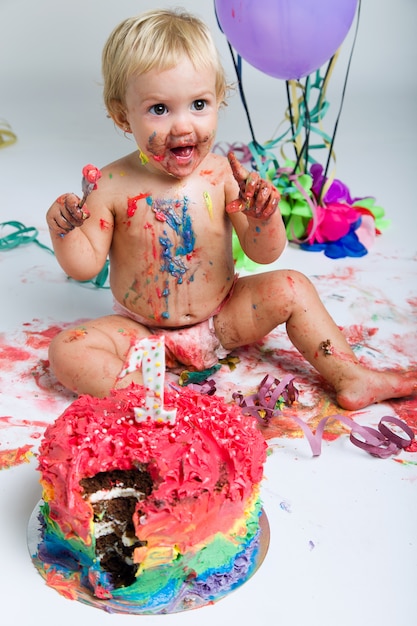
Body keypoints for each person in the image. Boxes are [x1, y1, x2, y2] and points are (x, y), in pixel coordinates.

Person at [46, 8, 416, 409]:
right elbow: (84, 266)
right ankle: (152, 398)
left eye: (199, 104)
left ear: (220, 99)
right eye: (159, 109)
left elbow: (264, 253)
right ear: (122, 114)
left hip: (222, 320)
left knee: (293, 286)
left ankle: (351, 375)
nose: (184, 126)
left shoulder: (223, 175)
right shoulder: (112, 184)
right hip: (139, 331)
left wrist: (263, 217)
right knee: (68, 350)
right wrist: (64, 229)